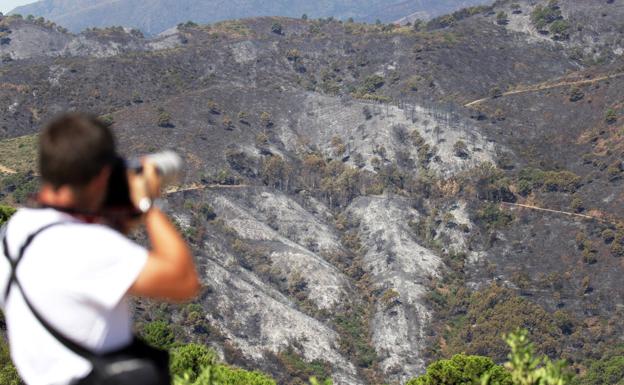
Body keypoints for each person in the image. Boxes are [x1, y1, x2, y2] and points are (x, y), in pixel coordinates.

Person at [0, 113, 200, 385]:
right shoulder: (86, 247)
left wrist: (121, 215)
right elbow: (184, 282)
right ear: (102, 176)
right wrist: (147, 204)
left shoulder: (15, 230)